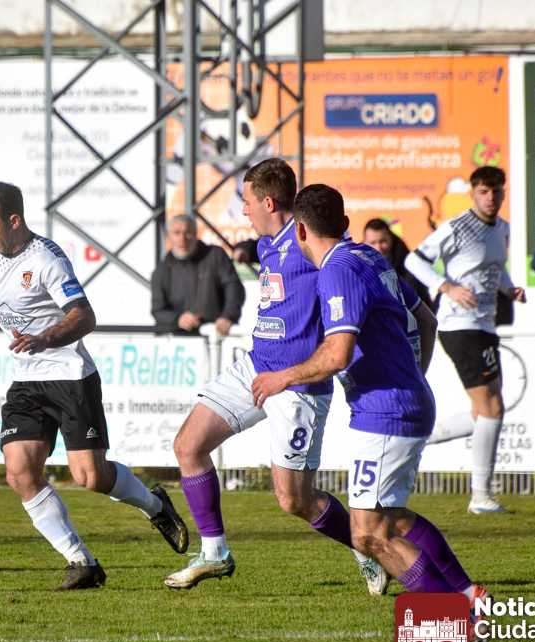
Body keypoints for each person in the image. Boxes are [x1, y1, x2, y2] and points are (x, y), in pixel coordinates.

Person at [0, 179, 188, 590]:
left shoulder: (46, 259)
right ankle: (81, 562)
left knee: (90, 477)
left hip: (70, 378)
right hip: (27, 382)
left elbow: (84, 316)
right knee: (20, 471)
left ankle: (155, 505)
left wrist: (46, 338)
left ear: (14, 221)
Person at [252, 183, 490, 607]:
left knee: (368, 535)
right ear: (344, 223)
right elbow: (427, 319)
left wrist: (281, 378)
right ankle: (470, 595)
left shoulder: (337, 270)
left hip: (385, 411)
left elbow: (337, 354)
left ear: (300, 231)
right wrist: (412, 375)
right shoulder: (369, 256)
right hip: (399, 402)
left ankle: (460, 618)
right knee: (393, 518)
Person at [164, 158, 386, 594]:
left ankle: (366, 547)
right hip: (256, 366)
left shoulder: (312, 246)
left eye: (247, 202)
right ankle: (215, 553)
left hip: (298, 384)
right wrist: (247, 248)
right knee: (188, 446)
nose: (244, 211)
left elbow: (349, 265)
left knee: (294, 499)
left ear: (268, 202)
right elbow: (264, 249)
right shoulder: (267, 243)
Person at [404, 166, 526, 514]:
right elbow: (414, 260)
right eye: (484, 192)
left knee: (483, 411)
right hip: (460, 325)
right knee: (493, 408)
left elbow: (495, 268)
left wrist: (509, 289)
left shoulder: (502, 228)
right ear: (473, 193)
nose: (491, 198)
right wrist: (446, 286)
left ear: (503, 193)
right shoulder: (457, 227)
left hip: (485, 325)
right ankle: (481, 497)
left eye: (496, 191)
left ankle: (418, 438)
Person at [151, 214, 245, 336]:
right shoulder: (162, 270)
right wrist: (178, 319)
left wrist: (228, 316)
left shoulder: (215, 256)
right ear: (168, 237)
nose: (182, 238)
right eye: (177, 233)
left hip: (216, 335)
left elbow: (234, 288)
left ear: (196, 234)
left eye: (188, 233)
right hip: (177, 339)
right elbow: (158, 310)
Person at [362, 218, 433, 310]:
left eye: (382, 241)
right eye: (373, 243)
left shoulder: (406, 264)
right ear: (364, 243)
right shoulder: (357, 265)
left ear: (391, 238)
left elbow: (418, 300)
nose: (378, 248)